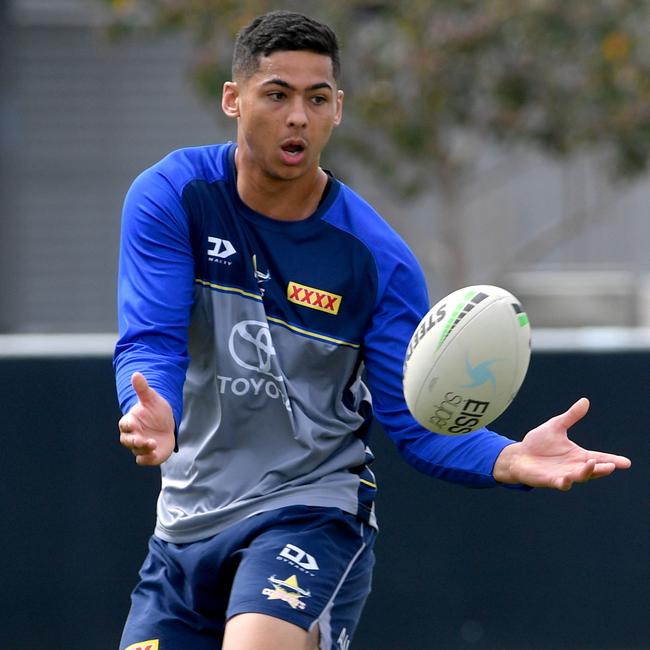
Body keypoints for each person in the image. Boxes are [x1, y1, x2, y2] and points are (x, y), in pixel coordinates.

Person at [114, 10, 631, 650]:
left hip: (308, 513)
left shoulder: (376, 259)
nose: (297, 116)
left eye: (317, 98)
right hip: (183, 525)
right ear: (233, 99)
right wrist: (153, 407)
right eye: (276, 94)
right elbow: (151, 340)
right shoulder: (172, 196)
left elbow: (414, 423)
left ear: (338, 110)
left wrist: (508, 457)